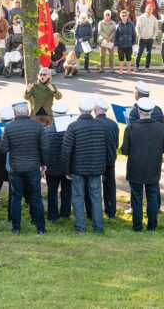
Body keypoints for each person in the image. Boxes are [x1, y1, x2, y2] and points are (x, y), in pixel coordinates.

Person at [0, 100, 48, 235]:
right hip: (33, 167)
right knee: (36, 197)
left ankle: (16, 228)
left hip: (16, 168)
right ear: (27, 112)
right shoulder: (37, 125)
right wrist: (44, 164)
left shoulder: (9, 127)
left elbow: (3, 149)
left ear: (15, 113)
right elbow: (44, 147)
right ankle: (40, 228)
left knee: (16, 198)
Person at [121, 97, 164, 231]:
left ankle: (137, 226)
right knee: (152, 196)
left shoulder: (131, 129)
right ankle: (152, 226)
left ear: (138, 111)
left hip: (135, 167)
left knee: (136, 197)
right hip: (153, 167)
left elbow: (125, 150)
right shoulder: (161, 127)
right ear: (152, 110)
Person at [62, 94, 108, 233]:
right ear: (92, 109)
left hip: (78, 168)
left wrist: (67, 170)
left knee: (77, 197)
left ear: (80, 109)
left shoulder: (73, 127)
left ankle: (80, 226)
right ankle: (98, 226)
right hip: (96, 168)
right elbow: (106, 147)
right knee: (96, 197)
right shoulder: (101, 126)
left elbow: (66, 151)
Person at [44, 103, 72, 222]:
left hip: (51, 167)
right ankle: (65, 214)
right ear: (65, 115)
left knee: (52, 192)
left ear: (54, 116)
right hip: (67, 167)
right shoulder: (71, 131)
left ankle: (52, 215)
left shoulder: (46, 131)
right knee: (67, 191)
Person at [93, 98, 119, 219]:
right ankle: (111, 211)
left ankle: (94, 211)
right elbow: (116, 143)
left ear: (95, 110)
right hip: (110, 158)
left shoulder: (94, 123)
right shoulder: (113, 124)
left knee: (94, 186)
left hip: (96, 160)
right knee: (110, 185)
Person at [135, 4, 159, 72]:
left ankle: (147, 67)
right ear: (146, 9)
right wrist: (139, 35)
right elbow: (137, 27)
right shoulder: (141, 17)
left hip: (150, 39)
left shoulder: (154, 19)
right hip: (142, 38)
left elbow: (156, 29)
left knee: (148, 53)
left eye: (150, 9)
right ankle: (136, 66)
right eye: (148, 9)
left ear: (152, 11)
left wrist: (153, 37)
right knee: (139, 52)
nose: (149, 11)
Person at [115, 9, 137, 75]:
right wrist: (116, 44)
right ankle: (121, 70)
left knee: (128, 57)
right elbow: (116, 35)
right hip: (121, 44)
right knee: (121, 57)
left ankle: (128, 70)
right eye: (123, 15)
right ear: (120, 16)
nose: (124, 16)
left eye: (125, 15)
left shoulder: (131, 24)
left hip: (129, 43)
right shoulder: (118, 25)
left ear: (127, 16)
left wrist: (134, 42)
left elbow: (134, 34)